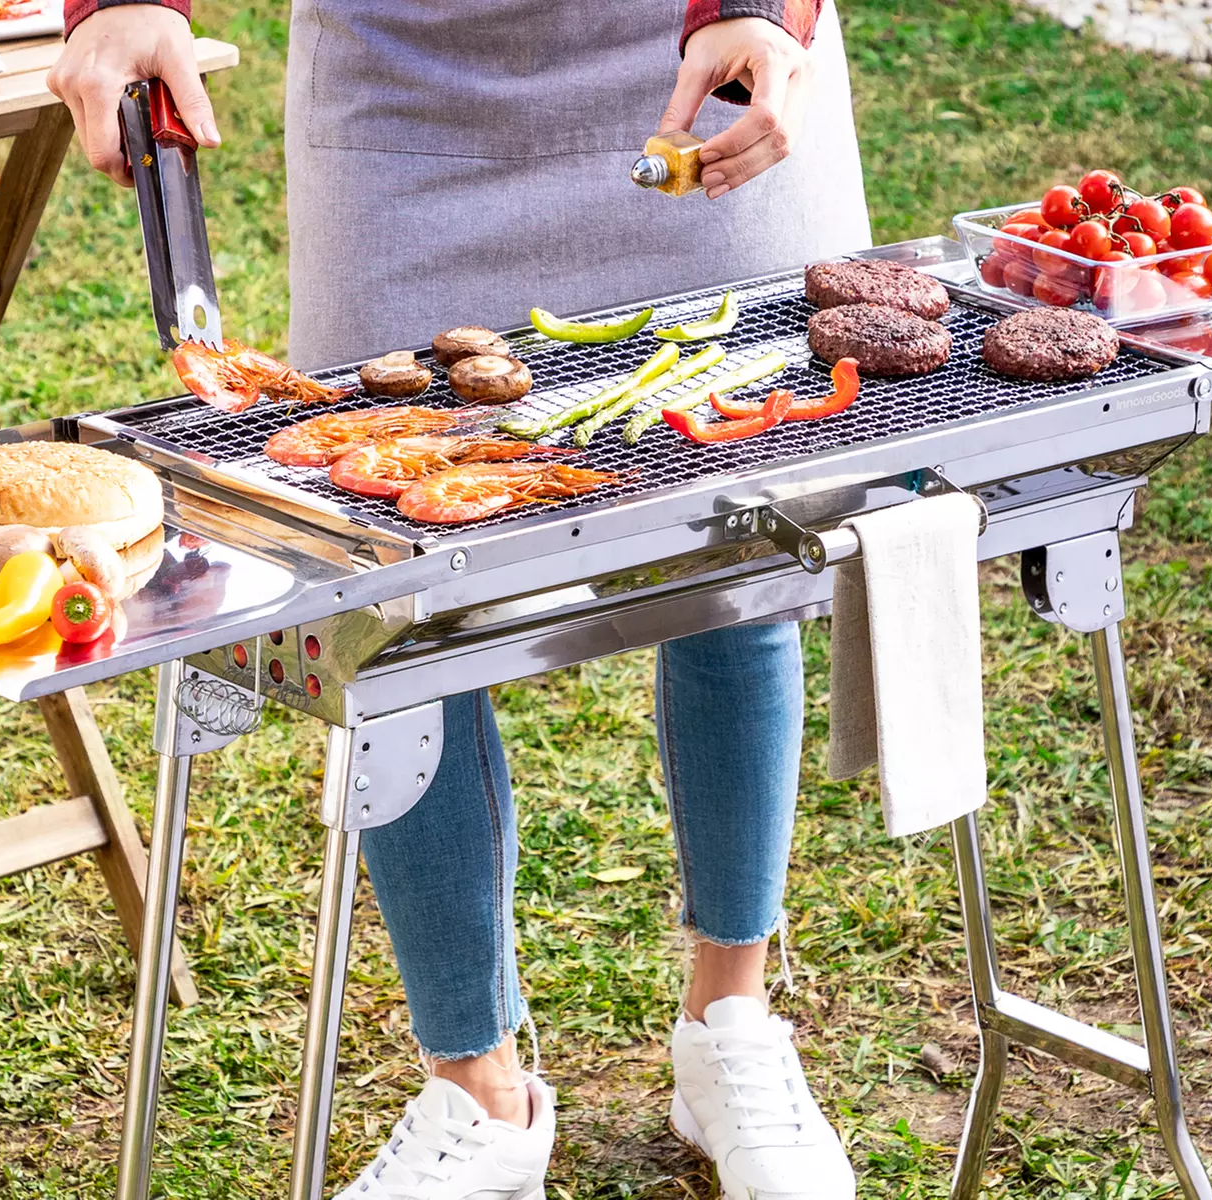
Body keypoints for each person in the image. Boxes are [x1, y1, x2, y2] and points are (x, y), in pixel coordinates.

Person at [52, 1, 874, 1195]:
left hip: (688, 64)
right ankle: (477, 1096)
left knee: (738, 538)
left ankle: (728, 1027)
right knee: (388, 594)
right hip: (402, 79)